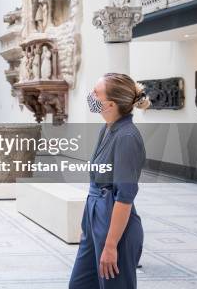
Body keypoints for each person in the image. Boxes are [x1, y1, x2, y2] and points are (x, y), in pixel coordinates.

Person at [69, 73, 151, 289]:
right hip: (96, 217)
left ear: (111, 104)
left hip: (115, 227)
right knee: (80, 285)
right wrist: (88, 226)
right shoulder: (106, 129)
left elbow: (124, 198)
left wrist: (111, 245)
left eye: (96, 93)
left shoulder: (126, 137)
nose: (91, 96)